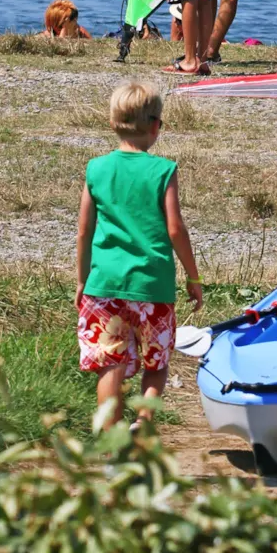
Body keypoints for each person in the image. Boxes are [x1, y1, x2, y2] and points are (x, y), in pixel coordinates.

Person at [76, 82, 202, 425]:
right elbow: (175, 228)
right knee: (156, 363)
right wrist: (193, 277)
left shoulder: (96, 169)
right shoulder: (163, 170)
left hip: (103, 285)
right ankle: (144, 422)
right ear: (155, 125)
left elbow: (85, 231)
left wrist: (82, 279)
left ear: (114, 123)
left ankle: (112, 442)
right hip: (153, 287)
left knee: (110, 362)